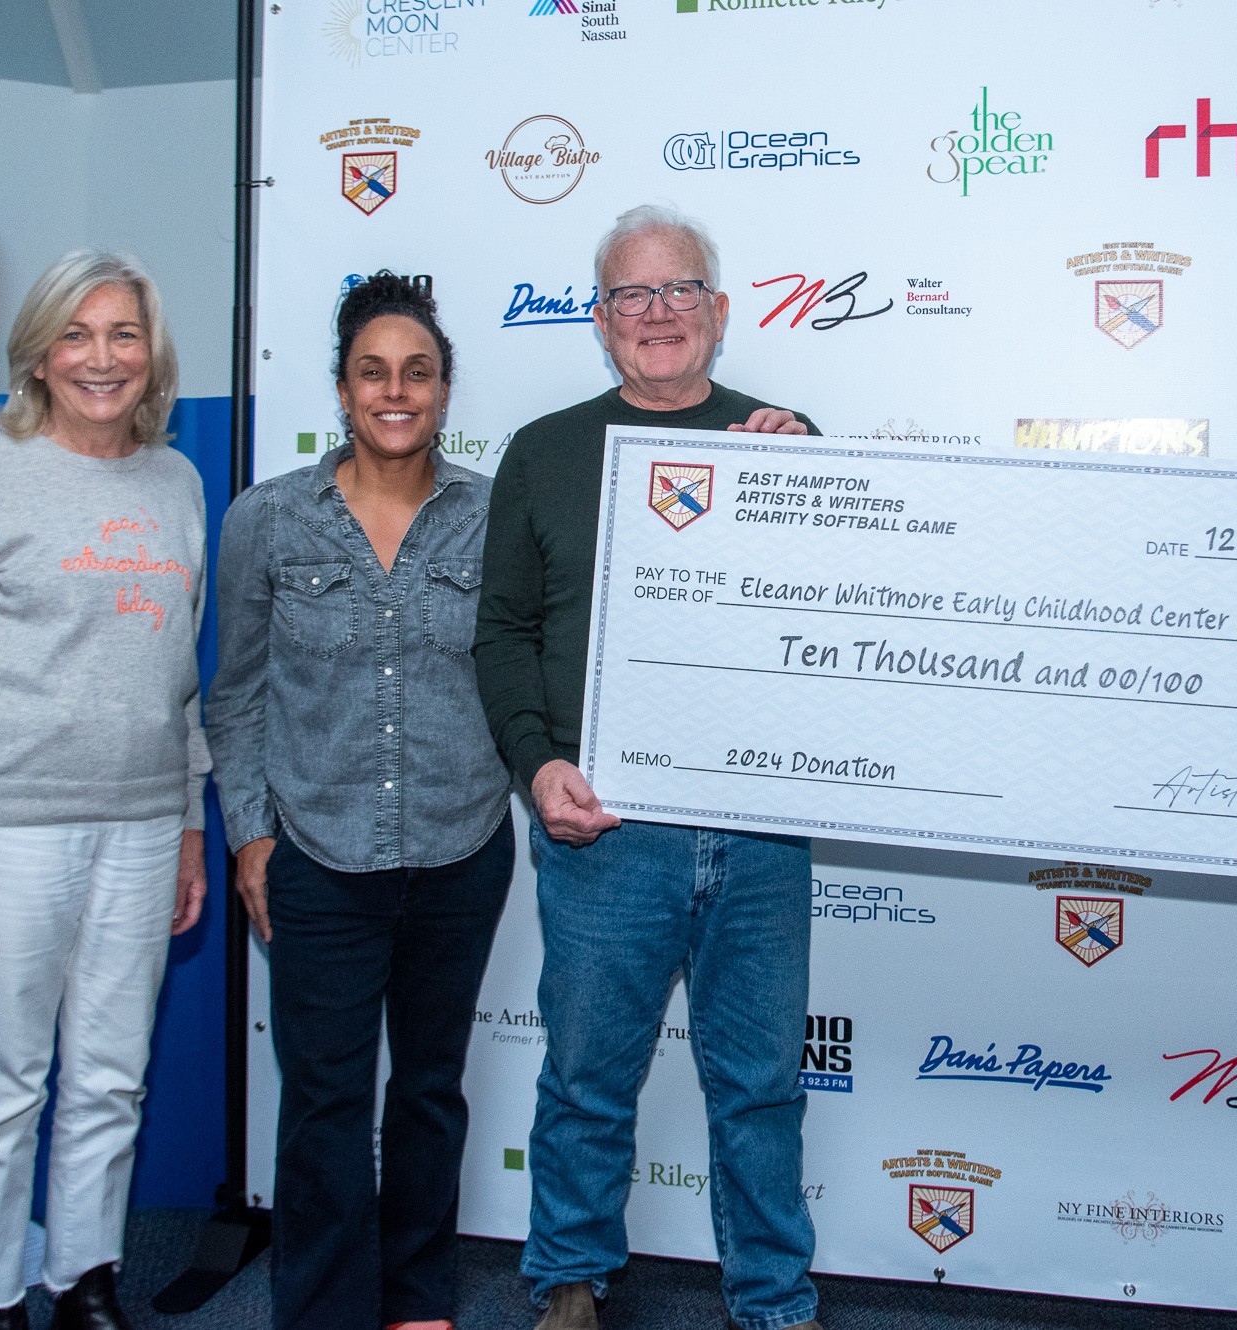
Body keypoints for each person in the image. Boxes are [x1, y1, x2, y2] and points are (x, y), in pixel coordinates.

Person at [474, 204, 823, 1330]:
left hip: (757, 827)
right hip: (602, 825)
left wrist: (809, 485)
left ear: (718, 313)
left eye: (680, 291)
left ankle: (773, 1298)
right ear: (600, 319)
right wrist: (537, 769)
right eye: (632, 294)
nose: (657, 312)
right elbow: (501, 635)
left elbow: (837, 613)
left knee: (762, 1087)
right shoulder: (544, 449)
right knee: (584, 1080)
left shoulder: (785, 438)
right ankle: (568, 1281)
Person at [0, 251, 208, 1330]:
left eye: (122, 334)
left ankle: (84, 1280)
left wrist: (192, 821)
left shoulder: (177, 481)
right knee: (6, 1081)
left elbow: (177, 679)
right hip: (5, 829)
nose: (101, 358)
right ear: (39, 353)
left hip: (146, 825)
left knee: (112, 1077)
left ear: (150, 353)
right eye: (77, 334)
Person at [206, 274, 515, 1330]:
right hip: (318, 857)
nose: (396, 391)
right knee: (326, 1103)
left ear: (443, 390)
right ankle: (328, 1308)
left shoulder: (491, 517)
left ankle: (417, 1295)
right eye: (373, 371)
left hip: (459, 849)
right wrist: (250, 834)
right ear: (342, 390)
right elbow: (234, 697)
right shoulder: (269, 519)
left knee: (429, 1089)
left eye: (417, 372)